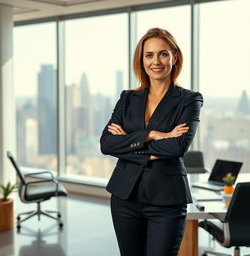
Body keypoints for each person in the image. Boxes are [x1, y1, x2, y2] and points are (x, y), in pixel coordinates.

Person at [100, 27, 203, 256]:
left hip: (167, 201)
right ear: (142, 59)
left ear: (174, 57)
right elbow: (106, 143)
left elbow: (177, 147)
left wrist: (128, 142)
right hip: (125, 197)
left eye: (163, 54)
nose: (156, 61)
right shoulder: (128, 98)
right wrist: (151, 135)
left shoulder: (189, 99)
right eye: (149, 55)